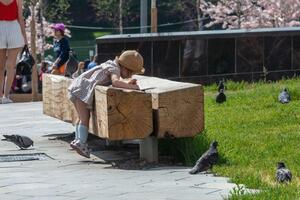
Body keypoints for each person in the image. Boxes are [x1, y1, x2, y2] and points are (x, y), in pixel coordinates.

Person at [68, 50, 144, 158]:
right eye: (130, 73)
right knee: (85, 117)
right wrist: (133, 87)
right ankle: (81, 142)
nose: (130, 76)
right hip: (81, 91)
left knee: (81, 117)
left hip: (76, 87)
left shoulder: (110, 64)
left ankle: (77, 140)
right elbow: (115, 82)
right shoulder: (115, 69)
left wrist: (127, 83)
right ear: (125, 67)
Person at [0, 0, 27, 104]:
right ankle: (6, 96)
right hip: (14, 28)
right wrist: (25, 38)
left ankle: (0, 97)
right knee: (10, 66)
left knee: (0, 67)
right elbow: (20, 18)